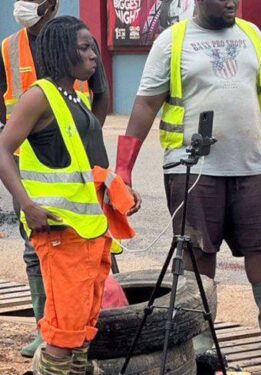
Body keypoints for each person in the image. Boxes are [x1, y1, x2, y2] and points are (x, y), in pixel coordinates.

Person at [115, 0, 261, 363]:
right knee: (198, 251)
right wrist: (124, 168)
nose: (232, 2)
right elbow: (144, 106)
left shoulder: (252, 34)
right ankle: (201, 337)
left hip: (254, 163)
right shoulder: (171, 41)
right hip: (192, 167)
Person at [0, 16, 139, 374]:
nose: (93, 55)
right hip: (61, 234)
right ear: (63, 51)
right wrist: (27, 205)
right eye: (84, 47)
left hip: (87, 232)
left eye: (93, 46)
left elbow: (84, 157)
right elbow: (3, 149)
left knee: (81, 332)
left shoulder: (73, 97)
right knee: (63, 336)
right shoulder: (40, 96)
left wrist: (116, 189)